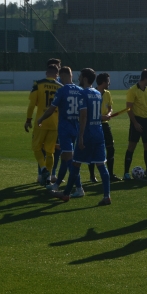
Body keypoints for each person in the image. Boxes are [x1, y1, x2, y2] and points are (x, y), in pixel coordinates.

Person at [56, 68, 112, 205]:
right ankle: (107, 196)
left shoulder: (83, 93)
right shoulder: (98, 93)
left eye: (80, 76)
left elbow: (84, 115)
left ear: (85, 78)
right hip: (99, 132)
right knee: (101, 165)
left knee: (75, 163)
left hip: (87, 134)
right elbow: (95, 114)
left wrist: (80, 136)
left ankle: (66, 193)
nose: (79, 78)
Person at [36, 66, 84, 197]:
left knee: (69, 160)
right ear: (71, 75)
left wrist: (41, 118)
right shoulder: (80, 90)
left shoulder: (62, 90)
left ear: (61, 76)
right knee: (64, 157)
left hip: (65, 129)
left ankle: (79, 188)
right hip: (76, 128)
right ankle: (56, 184)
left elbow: (51, 109)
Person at [24, 64, 62, 184]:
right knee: (50, 151)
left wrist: (28, 120)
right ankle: (49, 178)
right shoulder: (60, 87)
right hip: (55, 123)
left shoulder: (38, 84)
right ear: (57, 74)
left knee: (36, 147)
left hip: (41, 121)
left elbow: (31, 105)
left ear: (46, 73)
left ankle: (43, 168)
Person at [124, 69, 147, 180]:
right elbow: (129, 109)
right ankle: (126, 173)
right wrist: (135, 123)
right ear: (146, 79)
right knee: (131, 146)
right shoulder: (132, 90)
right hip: (137, 121)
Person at [92, 73, 121, 182]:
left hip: (104, 124)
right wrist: (101, 117)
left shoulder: (107, 93)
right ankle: (92, 176)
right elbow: (89, 113)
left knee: (110, 147)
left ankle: (111, 174)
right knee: (93, 149)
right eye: (108, 81)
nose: (109, 83)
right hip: (94, 125)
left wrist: (109, 114)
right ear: (103, 82)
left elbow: (110, 107)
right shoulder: (93, 93)